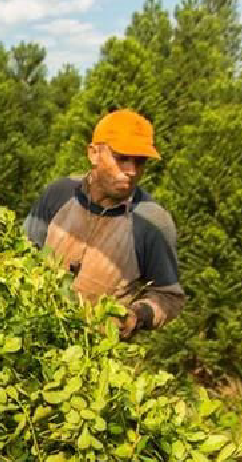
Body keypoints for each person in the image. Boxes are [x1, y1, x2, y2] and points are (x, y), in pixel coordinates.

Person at [23, 109, 185, 338]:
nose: (131, 171)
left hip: (91, 356)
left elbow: (170, 296)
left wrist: (136, 315)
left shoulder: (152, 222)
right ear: (93, 154)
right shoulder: (59, 194)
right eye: (122, 158)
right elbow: (20, 255)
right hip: (30, 338)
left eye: (140, 162)